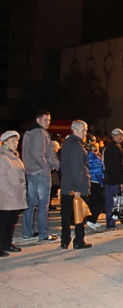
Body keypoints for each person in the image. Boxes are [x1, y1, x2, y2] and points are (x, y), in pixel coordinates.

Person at [22, 109, 59, 241]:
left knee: (30, 204)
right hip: (40, 173)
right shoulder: (40, 133)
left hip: (30, 171)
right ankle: (43, 233)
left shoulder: (28, 132)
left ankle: (27, 231)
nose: (48, 122)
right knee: (43, 204)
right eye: (45, 120)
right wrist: (47, 168)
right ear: (38, 120)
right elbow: (40, 154)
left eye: (49, 120)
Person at [59, 120, 92, 249]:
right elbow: (77, 168)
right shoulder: (77, 146)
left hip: (67, 185)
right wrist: (77, 188)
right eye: (84, 131)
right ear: (76, 130)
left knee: (66, 215)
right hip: (76, 186)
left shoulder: (66, 143)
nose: (85, 133)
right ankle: (79, 240)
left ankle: (64, 239)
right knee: (80, 215)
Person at [0, 131, 26, 257]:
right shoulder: (3, 157)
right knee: (3, 222)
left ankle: (7, 243)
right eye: (12, 141)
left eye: (16, 141)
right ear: (5, 142)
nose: (15, 143)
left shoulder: (14, 156)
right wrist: (10, 193)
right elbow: (2, 179)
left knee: (11, 221)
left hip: (16, 194)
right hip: (7, 196)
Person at [103, 128, 123, 228]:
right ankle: (110, 222)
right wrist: (122, 181)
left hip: (110, 178)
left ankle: (110, 221)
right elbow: (118, 166)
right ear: (115, 136)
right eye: (121, 136)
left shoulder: (110, 147)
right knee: (113, 202)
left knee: (111, 201)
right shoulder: (115, 148)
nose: (122, 138)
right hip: (114, 180)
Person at [86, 139, 105, 230]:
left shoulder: (86, 157)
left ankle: (92, 219)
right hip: (96, 182)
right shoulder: (95, 158)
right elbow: (98, 172)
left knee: (92, 202)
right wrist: (102, 181)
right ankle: (91, 220)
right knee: (100, 203)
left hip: (89, 181)